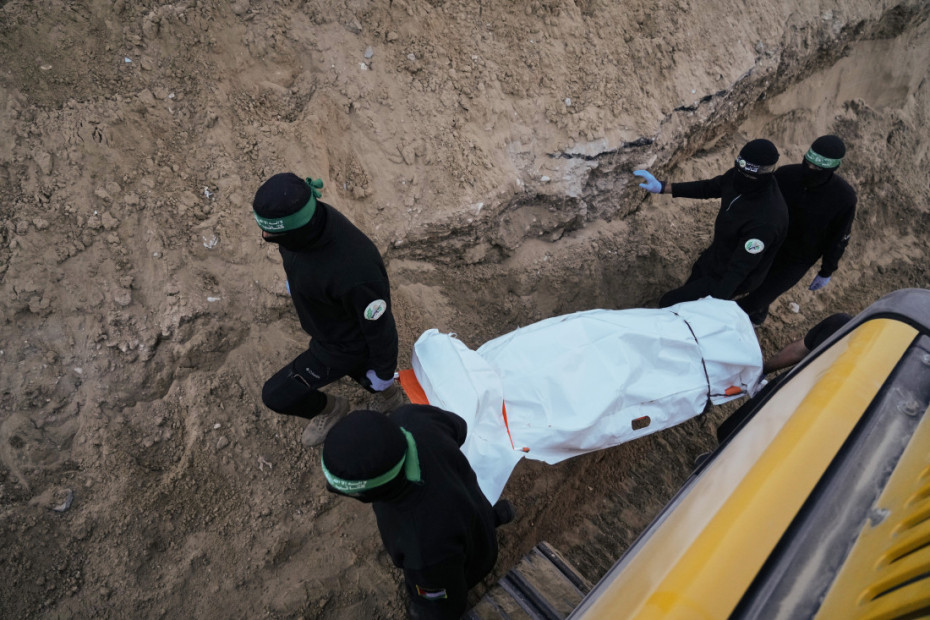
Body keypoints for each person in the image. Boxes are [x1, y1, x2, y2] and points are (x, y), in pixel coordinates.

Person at [252, 173, 403, 447]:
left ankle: (337, 408)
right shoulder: (307, 224)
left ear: (298, 229)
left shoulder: (356, 270)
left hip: (343, 345)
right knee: (363, 373)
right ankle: (385, 392)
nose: (265, 236)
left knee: (276, 396)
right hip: (329, 321)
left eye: (273, 234)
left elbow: (380, 326)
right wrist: (299, 284)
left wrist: (384, 370)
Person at [322, 407, 515, 619]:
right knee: (470, 516)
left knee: (438, 603)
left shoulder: (421, 545)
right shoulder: (410, 417)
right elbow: (459, 427)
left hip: (470, 562)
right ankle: (492, 518)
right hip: (471, 503)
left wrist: (431, 610)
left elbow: (446, 604)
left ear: (372, 494)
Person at [635, 139, 788, 308]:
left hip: (731, 277)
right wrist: (663, 187)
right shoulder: (738, 176)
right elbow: (709, 187)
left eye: (748, 176)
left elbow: (740, 269)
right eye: (739, 170)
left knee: (671, 302)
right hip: (716, 256)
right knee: (691, 284)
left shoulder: (767, 220)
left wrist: (714, 304)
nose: (740, 178)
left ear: (764, 175)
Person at [737, 135, 857, 324]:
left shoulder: (844, 198)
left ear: (832, 169)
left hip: (798, 258)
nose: (810, 170)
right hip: (769, 242)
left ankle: (746, 318)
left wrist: (827, 270)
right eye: (807, 163)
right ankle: (756, 313)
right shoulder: (786, 175)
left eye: (817, 168)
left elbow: (839, 237)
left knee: (758, 298)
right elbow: (758, 202)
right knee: (743, 281)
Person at [715, 312, 853, 442]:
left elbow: (798, 351)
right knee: (733, 435)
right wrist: (762, 370)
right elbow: (798, 351)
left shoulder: (844, 327)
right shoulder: (841, 326)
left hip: (801, 422)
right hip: (779, 399)